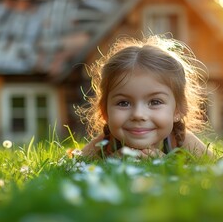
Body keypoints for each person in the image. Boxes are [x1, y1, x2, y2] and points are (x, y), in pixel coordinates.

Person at [78, 35, 213, 159]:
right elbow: (71, 165)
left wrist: (167, 164)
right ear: (104, 111)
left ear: (178, 109)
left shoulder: (180, 140)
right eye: (123, 103)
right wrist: (111, 162)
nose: (138, 115)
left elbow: (222, 168)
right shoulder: (105, 143)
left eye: (155, 102)